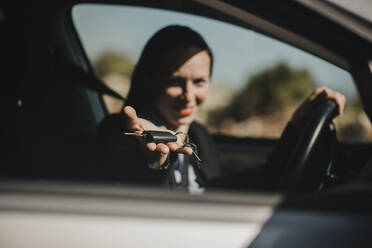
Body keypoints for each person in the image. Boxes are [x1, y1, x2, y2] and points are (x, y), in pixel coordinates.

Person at [98, 25, 346, 193]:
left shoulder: (198, 136)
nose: (188, 96)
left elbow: (245, 183)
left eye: (199, 82)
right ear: (149, 80)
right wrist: (154, 162)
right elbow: (123, 166)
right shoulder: (122, 131)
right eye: (174, 81)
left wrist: (297, 125)